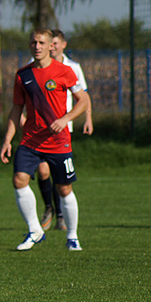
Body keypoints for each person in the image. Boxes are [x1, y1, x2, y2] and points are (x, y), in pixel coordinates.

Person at [0, 29, 89, 252]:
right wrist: (7, 140)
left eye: (41, 42)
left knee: (64, 188)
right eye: (33, 42)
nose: (37, 46)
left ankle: (72, 236)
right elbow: (16, 110)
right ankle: (35, 231)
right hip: (31, 141)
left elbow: (83, 100)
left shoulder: (65, 71)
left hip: (59, 142)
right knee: (19, 180)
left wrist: (66, 118)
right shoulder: (22, 74)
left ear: (51, 46)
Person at [35, 29, 94, 232]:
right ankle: (49, 207)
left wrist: (88, 118)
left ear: (62, 44)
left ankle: (60, 215)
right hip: (39, 131)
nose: (53, 47)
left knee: (60, 178)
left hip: (62, 129)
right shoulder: (35, 65)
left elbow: (83, 96)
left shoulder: (73, 67)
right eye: (52, 43)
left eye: (56, 43)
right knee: (43, 170)